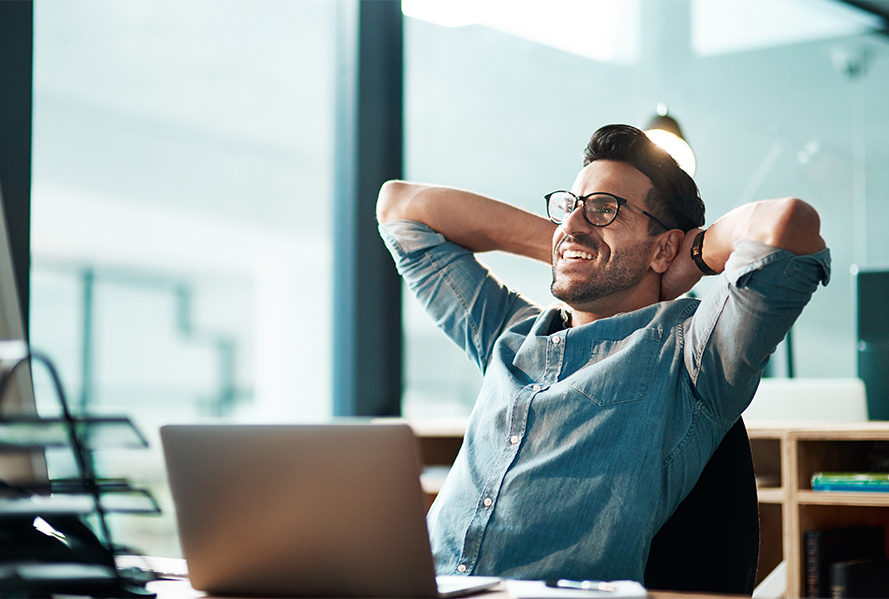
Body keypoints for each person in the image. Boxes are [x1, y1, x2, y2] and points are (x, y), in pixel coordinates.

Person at [376, 124, 830, 584]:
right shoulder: (510, 334)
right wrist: (575, 246)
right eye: (569, 208)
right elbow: (401, 209)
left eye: (604, 210)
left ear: (665, 245)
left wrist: (688, 256)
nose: (571, 222)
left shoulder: (690, 354)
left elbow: (787, 224)